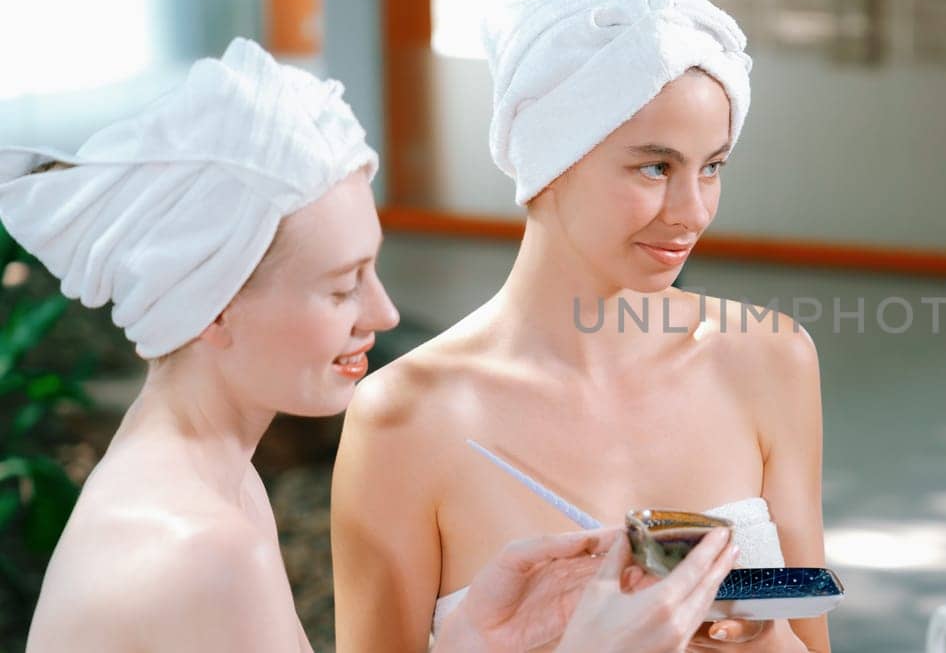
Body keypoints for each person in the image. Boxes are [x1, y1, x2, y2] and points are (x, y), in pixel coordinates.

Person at [3, 38, 738, 653]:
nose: (383, 313)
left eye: (373, 270)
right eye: (341, 286)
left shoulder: (210, 481)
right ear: (212, 309)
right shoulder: (194, 547)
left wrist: (470, 641)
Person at [331, 0, 828, 651]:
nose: (693, 213)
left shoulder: (770, 357)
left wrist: (754, 637)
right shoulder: (407, 418)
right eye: (655, 168)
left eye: (711, 166)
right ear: (551, 159)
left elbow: (812, 636)